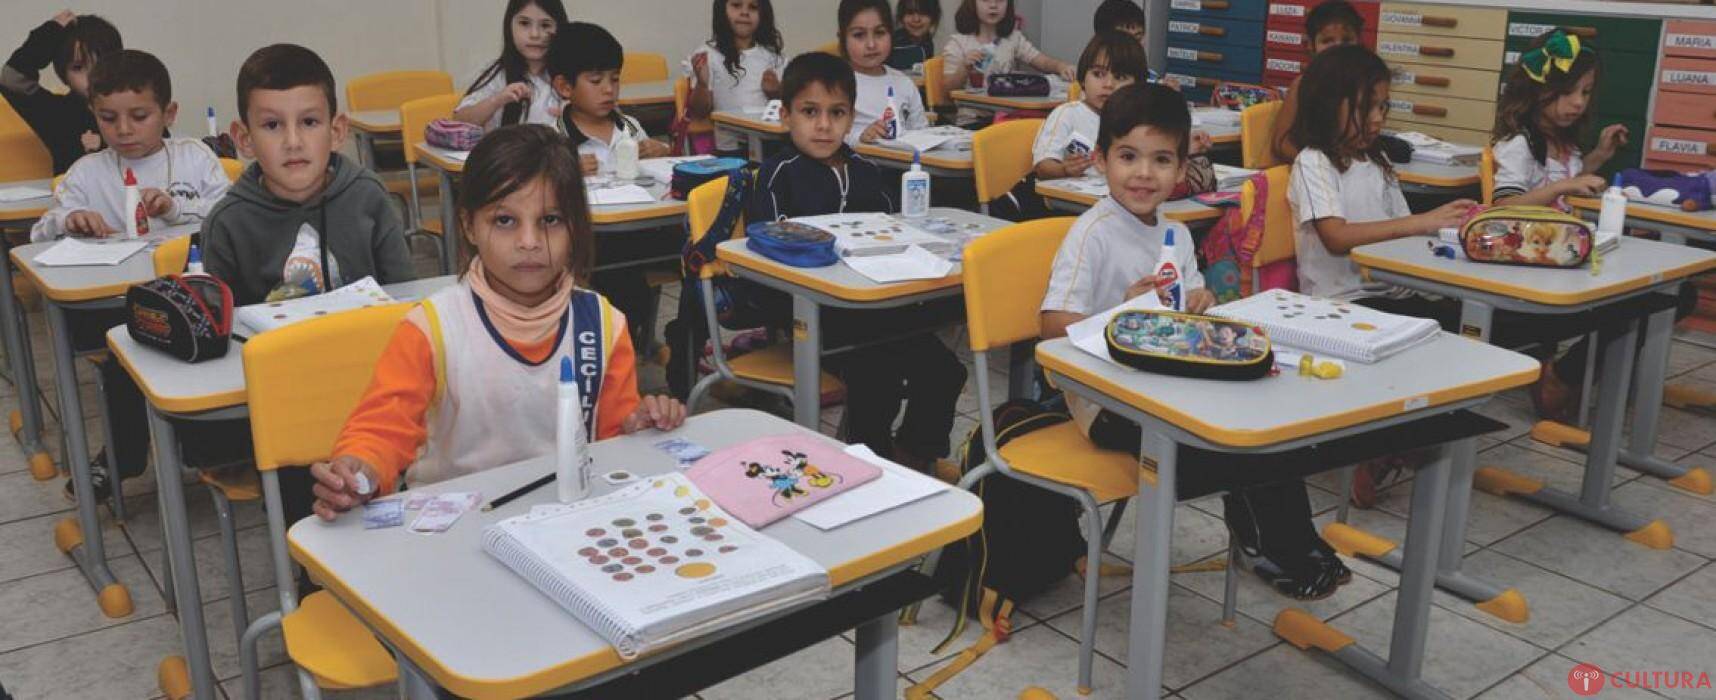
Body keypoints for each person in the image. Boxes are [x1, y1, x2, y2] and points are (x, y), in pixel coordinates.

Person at [1042, 83, 1351, 600]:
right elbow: (1051, 326)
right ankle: (1269, 545)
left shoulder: (1178, 235)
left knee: (1262, 426)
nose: (1144, 173)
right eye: (1128, 157)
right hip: (1104, 401)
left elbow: (1179, 312)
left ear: (1182, 169)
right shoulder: (1091, 234)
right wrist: (1123, 311)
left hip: (1166, 384)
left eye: (1161, 159)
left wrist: (1200, 298)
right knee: (1233, 450)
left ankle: (1292, 540)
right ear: (1100, 161)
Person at [310, 124, 687, 516]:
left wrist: (640, 424)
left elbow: (611, 440)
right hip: (453, 525)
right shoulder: (433, 327)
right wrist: (360, 469)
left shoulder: (603, 324)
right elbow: (382, 431)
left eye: (551, 220)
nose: (529, 242)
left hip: (563, 516)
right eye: (505, 221)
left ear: (577, 226)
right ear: (470, 226)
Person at [27, 49, 230, 502]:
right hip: (120, 307)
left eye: (139, 116)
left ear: (168, 113)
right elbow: (39, 235)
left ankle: (213, 444)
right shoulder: (87, 173)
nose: (123, 130)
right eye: (108, 118)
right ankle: (122, 458)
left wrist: (178, 208)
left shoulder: (194, 158)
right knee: (128, 348)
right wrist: (70, 219)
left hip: (193, 297)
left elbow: (230, 213)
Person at [749, 51, 967, 472]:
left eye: (837, 113)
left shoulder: (866, 170)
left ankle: (915, 452)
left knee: (946, 369)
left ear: (852, 118)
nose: (824, 125)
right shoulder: (779, 174)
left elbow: (893, 232)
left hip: (877, 308)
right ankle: (871, 464)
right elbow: (771, 250)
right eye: (810, 112)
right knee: (876, 377)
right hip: (815, 316)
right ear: (785, 117)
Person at [205, 44, 415, 306]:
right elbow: (221, 331)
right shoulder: (226, 224)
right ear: (245, 139)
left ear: (336, 132)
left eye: (309, 122)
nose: (293, 142)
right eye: (272, 125)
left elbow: (406, 297)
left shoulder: (368, 196)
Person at [1, 9, 122, 175]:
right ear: (64, 75)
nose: (93, 76)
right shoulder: (58, 113)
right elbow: (13, 78)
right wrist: (49, 34)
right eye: (78, 68)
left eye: (101, 64)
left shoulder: (135, 106)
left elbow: (160, 149)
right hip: (72, 198)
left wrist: (103, 145)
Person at [547, 22, 672, 175]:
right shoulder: (554, 137)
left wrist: (662, 152)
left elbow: (655, 172)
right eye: (596, 81)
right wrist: (566, 172)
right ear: (565, 87)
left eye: (614, 79)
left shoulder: (630, 126)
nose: (609, 89)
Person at [941, 0, 1075, 126]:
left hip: (1008, 118)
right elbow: (947, 90)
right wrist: (964, 67)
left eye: (1000, 0)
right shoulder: (958, 43)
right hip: (973, 121)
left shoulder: (1013, 38)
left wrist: (1061, 66)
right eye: (985, 0)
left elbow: (1042, 61)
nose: (993, 5)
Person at [685, 0, 787, 157]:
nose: (744, 12)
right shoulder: (708, 54)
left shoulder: (773, 56)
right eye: (736, 5)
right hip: (729, 146)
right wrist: (702, 84)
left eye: (753, 7)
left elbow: (788, 106)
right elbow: (699, 112)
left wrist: (775, 93)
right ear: (722, 11)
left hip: (771, 143)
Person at [1270, 0, 1365, 164]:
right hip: (1311, 172)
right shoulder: (1303, 85)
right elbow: (1280, 144)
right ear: (1311, 47)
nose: (1338, 48)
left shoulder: (1365, 86)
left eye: (1347, 40)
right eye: (1327, 41)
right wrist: (1319, 166)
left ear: (1359, 43)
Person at [453, 0, 570, 130]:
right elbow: (459, 121)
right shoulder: (496, 74)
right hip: (504, 150)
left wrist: (578, 117)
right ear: (509, 26)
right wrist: (497, 100)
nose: (535, 34)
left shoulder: (572, 74)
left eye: (545, 25)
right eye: (524, 23)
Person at [839, 0, 929, 146]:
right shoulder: (835, 84)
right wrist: (860, 137)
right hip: (856, 164)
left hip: (904, 164)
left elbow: (922, 132)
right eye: (859, 35)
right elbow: (826, 136)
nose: (871, 44)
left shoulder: (903, 82)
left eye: (880, 33)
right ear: (842, 38)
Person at [887, 0, 942, 71]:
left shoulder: (927, 41)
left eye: (923, 13)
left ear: (933, 18)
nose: (916, 19)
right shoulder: (891, 45)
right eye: (910, 13)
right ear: (901, 17)